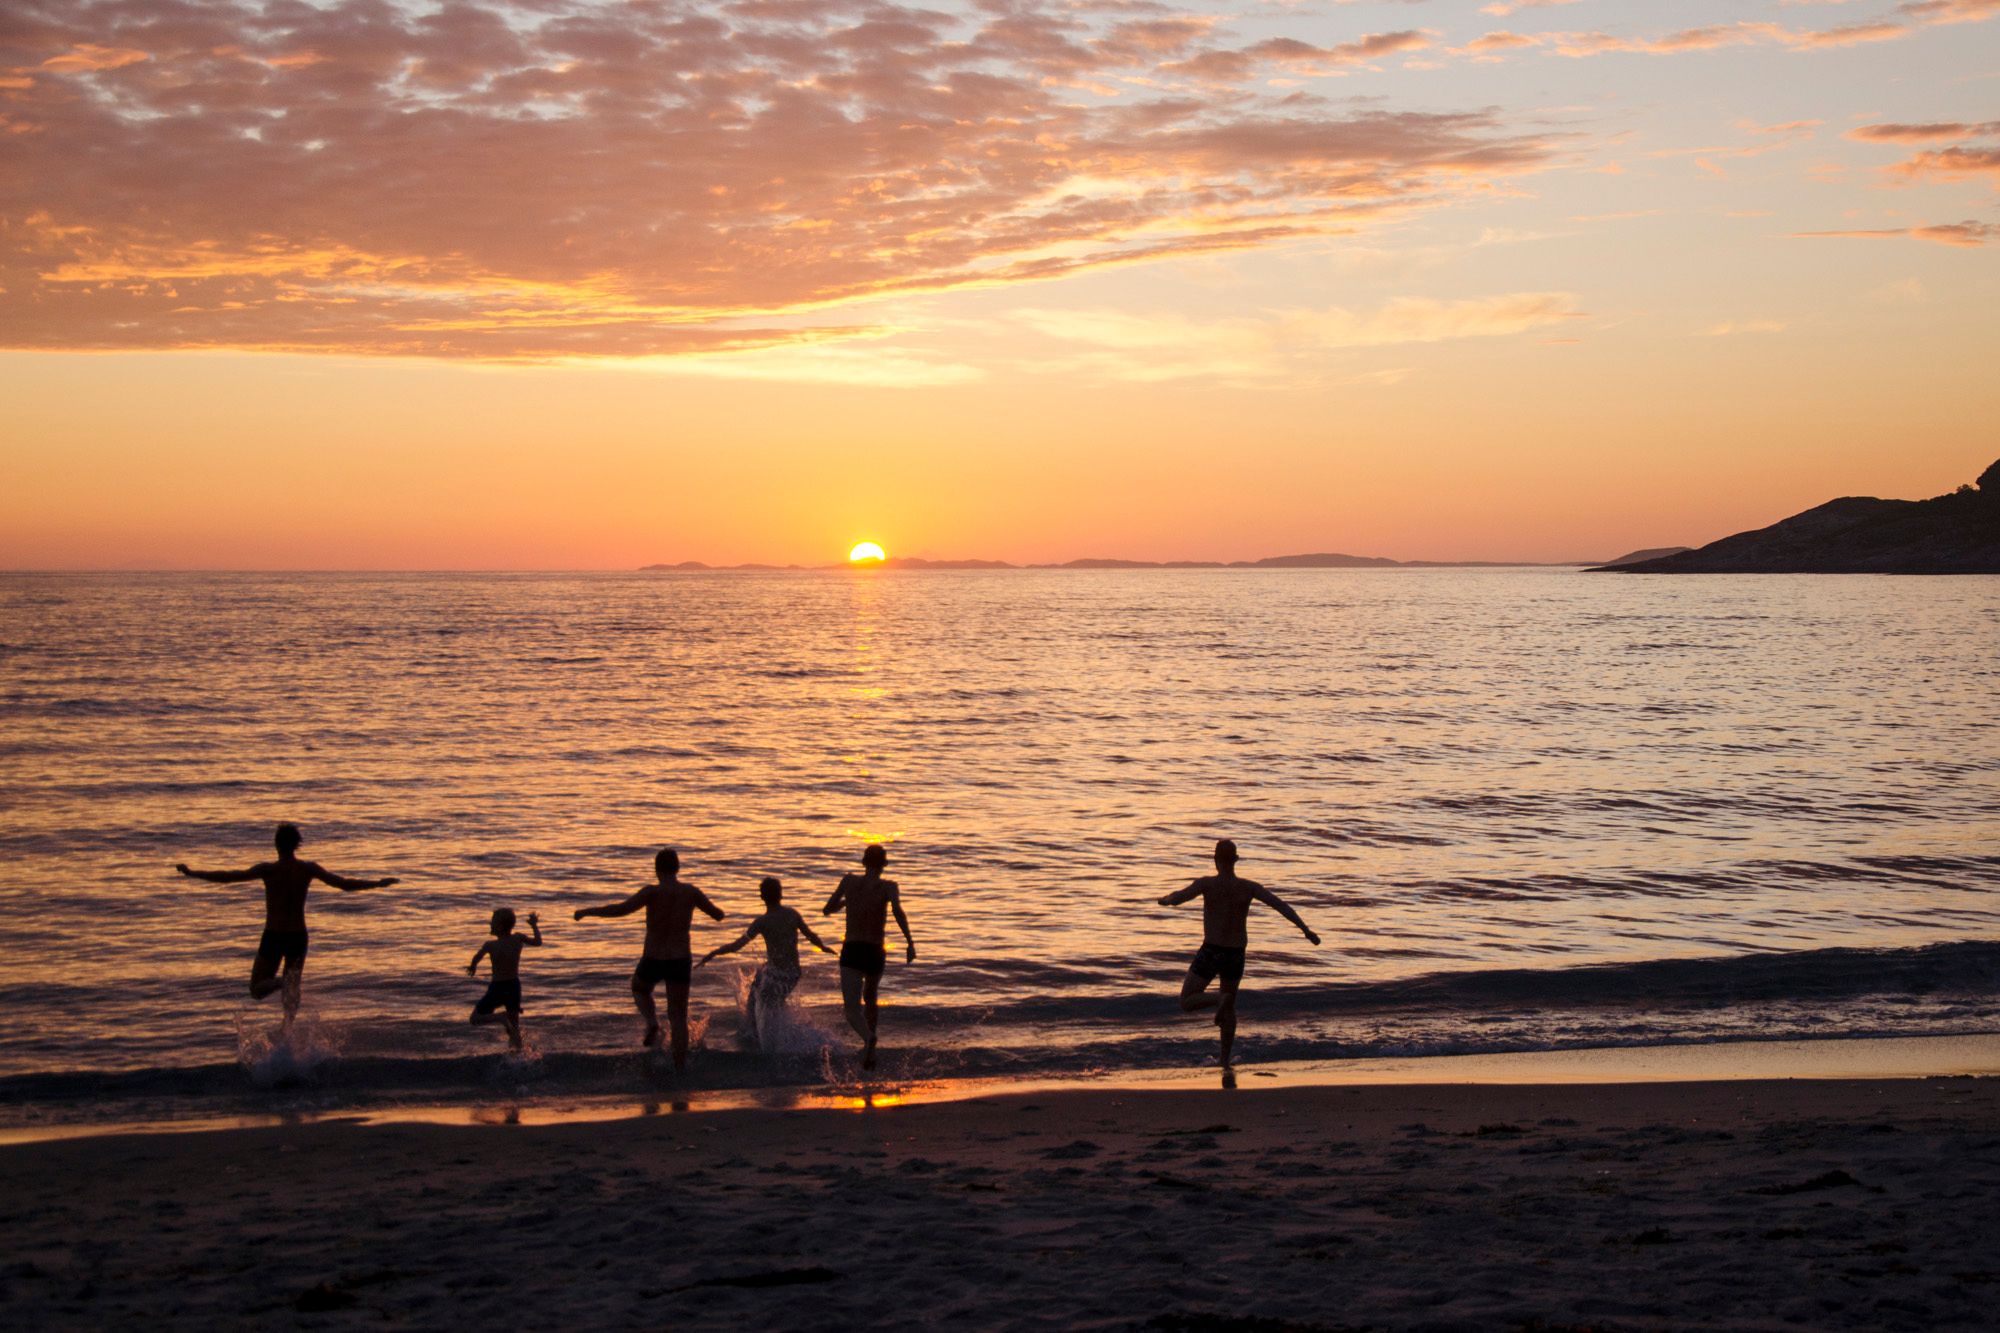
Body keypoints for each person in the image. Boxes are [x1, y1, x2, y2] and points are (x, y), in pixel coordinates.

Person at [175, 822, 399, 1026]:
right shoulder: (307, 869)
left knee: (256, 989)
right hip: (298, 936)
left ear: (276, 844)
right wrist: (377, 884)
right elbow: (344, 884)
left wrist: (193, 873)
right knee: (291, 993)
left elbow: (228, 876)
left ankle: (281, 982)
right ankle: (287, 1029)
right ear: (297, 845)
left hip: (274, 934)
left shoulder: (268, 870)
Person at [1158, 839, 1319, 1068]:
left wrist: (1164, 900)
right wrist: (1306, 930)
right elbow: (1281, 906)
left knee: (1187, 1000)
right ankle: (1224, 1060)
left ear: (1215, 860)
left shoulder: (1207, 884)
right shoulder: (1249, 887)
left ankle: (1218, 999)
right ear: (1235, 860)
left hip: (1212, 950)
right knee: (1229, 1008)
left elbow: (1179, 897)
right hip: (1236, 953)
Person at [573, 848, 724, 1070]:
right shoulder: (691, 892)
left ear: (656, 869)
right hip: (680, 958)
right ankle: (679, 1068)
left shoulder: (651, 893)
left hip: (653, 956)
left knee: (639, 988)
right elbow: (718, 915)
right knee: (678, 1016)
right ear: (677, 868)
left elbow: (620, 910)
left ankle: (652, 1022)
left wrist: (587, 911)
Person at [697, 877, 833, 1046]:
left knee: (766, 1005)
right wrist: (823, 947)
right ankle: (764, 1032)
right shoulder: (792, 914)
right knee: (759, 981)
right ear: (781, 895)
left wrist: (714, 952)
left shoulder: (762, 922)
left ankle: (768, 1042)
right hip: (793, 974)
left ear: (762, 897)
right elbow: (811, 936)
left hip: (778, 976)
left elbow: (736, 946)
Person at [822, 843, 914, 1070]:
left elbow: (827, 909)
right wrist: (910, 942)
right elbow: (898, 912)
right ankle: (870, 1052)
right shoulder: (889, 886)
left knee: (851, 1009)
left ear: (863, 862)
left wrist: (847, 901)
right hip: (874, 950)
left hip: (853, 948)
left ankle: (867, 1038)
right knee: (870, 998)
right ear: (884, 865)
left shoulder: (849, 881)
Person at [467, 908, 542, 1052]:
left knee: (475, 1019)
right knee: (514, 1027)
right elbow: (538, 942)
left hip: (498, 988)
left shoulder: (490, 945)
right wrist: (534, 925)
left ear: (499, 926)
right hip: (513, 987)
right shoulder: (518, 938)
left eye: (492, 921)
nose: (490, 924)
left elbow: (477, 957)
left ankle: (500, 1018)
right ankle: (518, 1057)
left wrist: (472, 967)